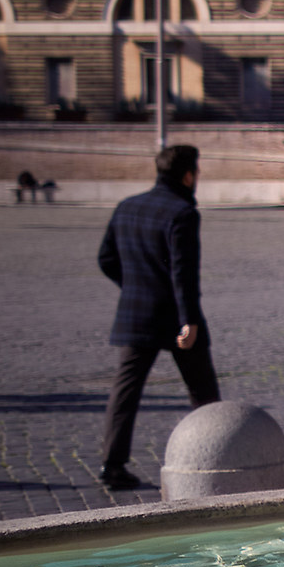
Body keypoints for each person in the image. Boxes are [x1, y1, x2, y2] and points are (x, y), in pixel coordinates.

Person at [94, 144, 222, 491]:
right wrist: (190, 319)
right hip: (177, 317)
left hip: (137, 312)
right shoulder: (182, 213)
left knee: (126, 391)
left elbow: (106, 258)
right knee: (203, 391)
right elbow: (183, 273)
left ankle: (112, 464)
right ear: (187, 175)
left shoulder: (127, 206)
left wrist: (134, 285)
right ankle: (220, 456)